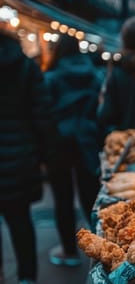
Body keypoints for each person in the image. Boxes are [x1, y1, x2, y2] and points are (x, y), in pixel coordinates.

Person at [0, 27, 57, 284]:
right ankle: (28, 282)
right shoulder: (24, 67)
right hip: (19, 154)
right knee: (21, 220)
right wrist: (47, 155)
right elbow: (42, 113)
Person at [44, 34, 103, 266]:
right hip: (87, 139)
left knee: (62, 197)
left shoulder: (51, 78)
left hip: (59, 142)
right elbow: (100, 109)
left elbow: (44, 112)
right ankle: (98, 246)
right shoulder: (94, 75)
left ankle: (69, 251)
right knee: (91, 195)